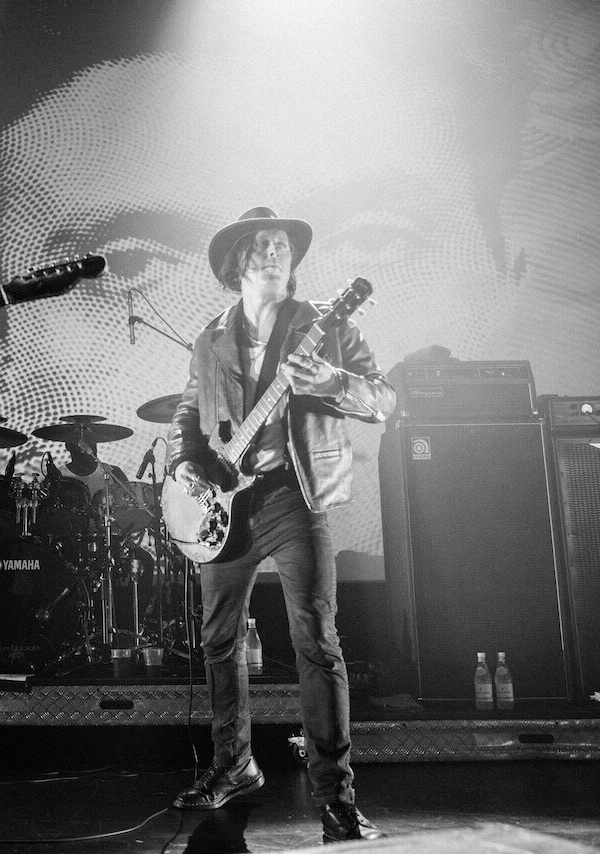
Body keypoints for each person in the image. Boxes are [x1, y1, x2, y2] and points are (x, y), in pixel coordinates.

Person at [165, 207, 394, 843]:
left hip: (295, 496)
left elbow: (385, 400)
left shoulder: (324, 324)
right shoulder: (210, 336)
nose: (274, 252)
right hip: (226, 503)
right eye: (261, 245)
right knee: (218, 642)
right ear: (237, 262)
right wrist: (190, 466)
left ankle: (335, 796)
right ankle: (233, 767)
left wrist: (333, 381)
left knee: (315, 640)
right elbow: (189, 412)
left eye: (283, 245)